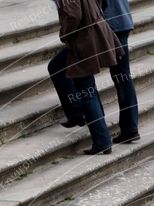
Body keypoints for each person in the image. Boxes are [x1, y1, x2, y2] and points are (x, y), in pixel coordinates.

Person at [48, 0, 124, 155]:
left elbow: (74, 14)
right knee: (67, 74)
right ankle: (79, 115)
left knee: (86, 89)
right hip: (94, 33)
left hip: (84, 40)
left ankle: (102, 140)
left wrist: (65, 33)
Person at [101, 0, 140, 144]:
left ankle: (130, 128)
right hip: (123, 21)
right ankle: (130, 127)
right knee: (123, 77)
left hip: (113, 25)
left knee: (122, 78)